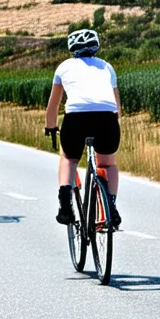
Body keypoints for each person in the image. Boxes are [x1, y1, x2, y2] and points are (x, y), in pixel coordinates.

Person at [44, 29, 123, 227]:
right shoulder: (107, 67)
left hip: (76, 118)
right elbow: (117, 105)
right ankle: (111, 207)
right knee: (108, 164)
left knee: (69, 159)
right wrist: (114, 124)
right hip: (107, 118)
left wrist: (51, 126)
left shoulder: (63, 67)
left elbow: (53, 104)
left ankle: (65, 205)